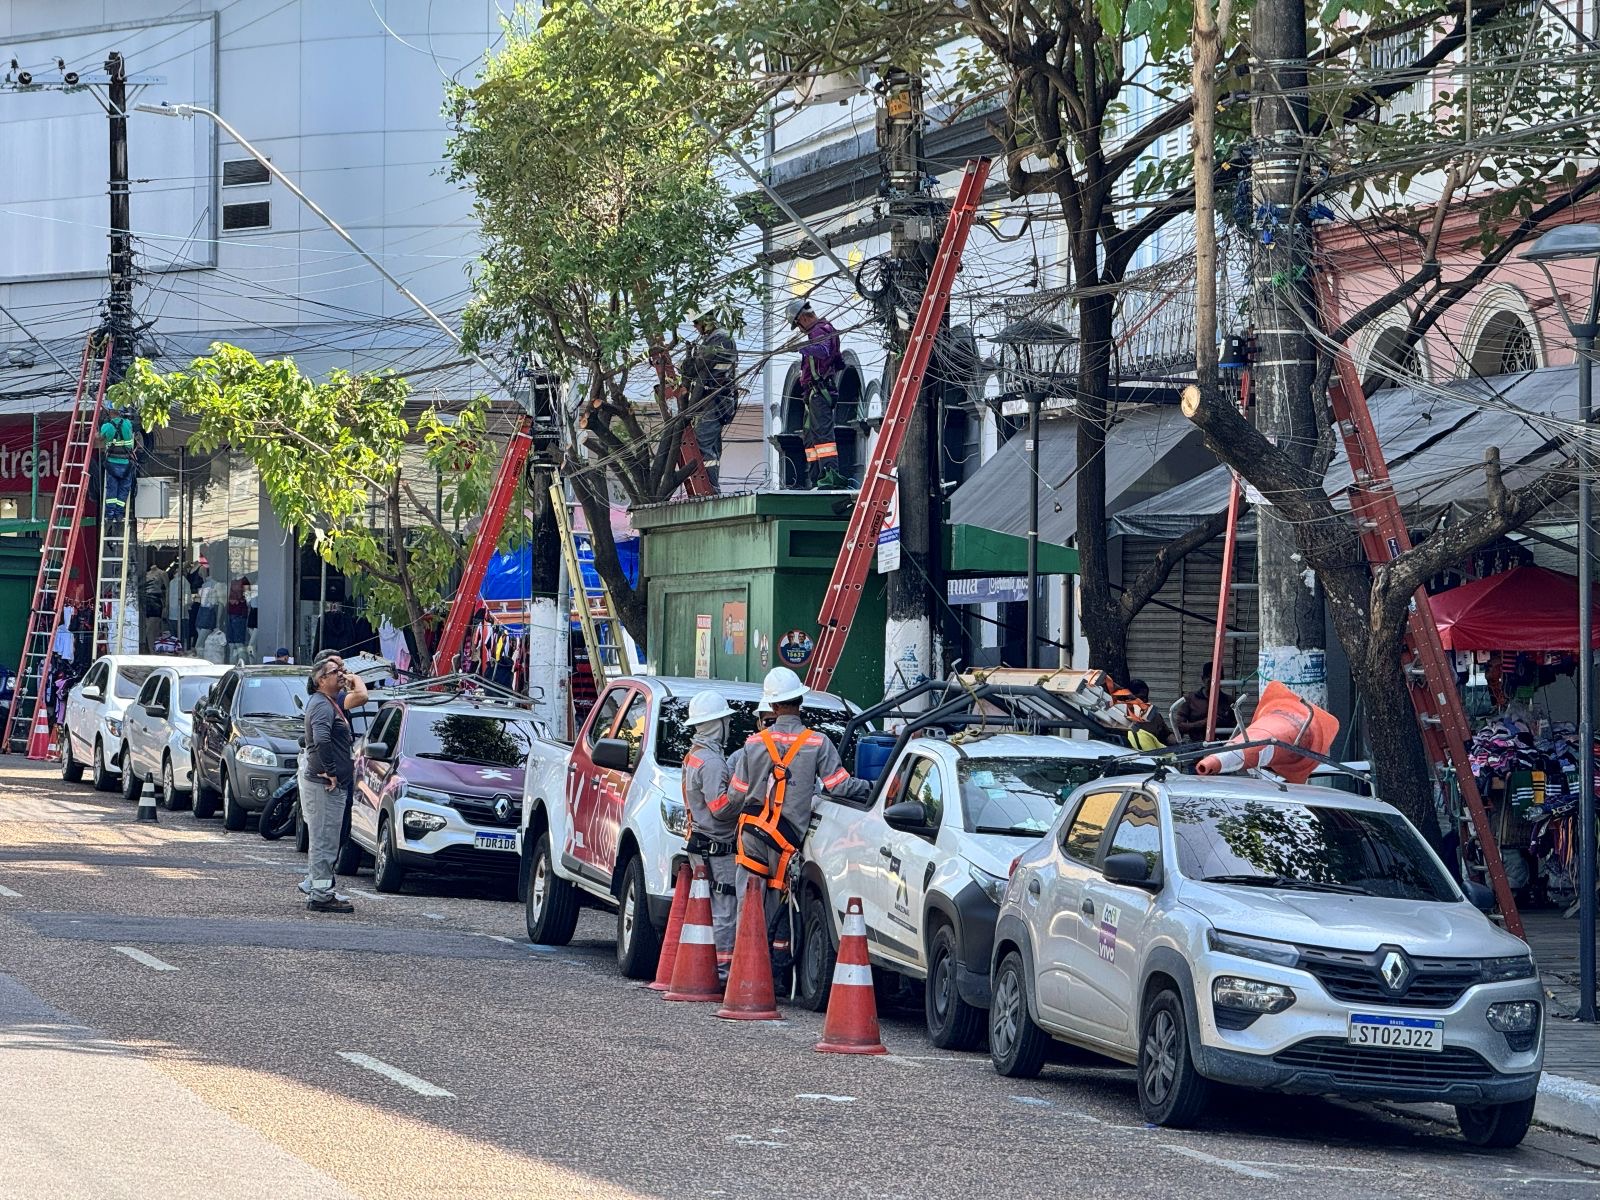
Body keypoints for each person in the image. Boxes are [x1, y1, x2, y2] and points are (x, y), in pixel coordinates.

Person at [727, 666, 871, 987]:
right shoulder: (817, 743)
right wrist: (875, 788)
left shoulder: (753, 744)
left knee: (748, 905)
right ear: (799, 701)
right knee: (782, 913)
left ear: (773, 707)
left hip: (750, 834)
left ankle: (743, 978)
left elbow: (736, 796)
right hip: (787, 842)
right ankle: (775, 978)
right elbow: (840, 787)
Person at [300, 655, 368, 912]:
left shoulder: (328, 702)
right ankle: (320, 894)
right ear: (320, 680)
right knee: (324, 839)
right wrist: (330, 771)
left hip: (332, 785)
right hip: (324, 785)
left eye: (341, 669)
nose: (341, 674)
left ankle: (320, 886)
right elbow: (321, 739)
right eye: (334, 671)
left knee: (327, 838)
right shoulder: (321, 705)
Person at [681, 689, 738, 981]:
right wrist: (743, 795)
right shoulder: (713, 763)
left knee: (707, 907)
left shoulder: (695, 756)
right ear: (719, 724)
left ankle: (706, 967)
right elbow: (720, 808)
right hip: (717, 846)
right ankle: (723, 971)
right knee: (725, 909)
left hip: (700, 842)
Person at [786, 299, 847, 489]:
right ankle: (816, 477)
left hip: (820, 392)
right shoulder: (819, 330)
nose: (799, 329)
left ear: (803, 317)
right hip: (813, 394)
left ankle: (830, 476)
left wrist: (800, 346)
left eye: (798, 324)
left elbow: (823, 350)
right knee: (811, 436)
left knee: (822, 436)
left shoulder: (820, 330)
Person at [681, 310, 739, 492]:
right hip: (711, 400)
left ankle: (711, 489)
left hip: (716, 400)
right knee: (710, 446)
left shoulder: (720, 339)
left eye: (696, 324)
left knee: (702, 445)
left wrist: (690, 357)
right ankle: (711, 488)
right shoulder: (710, 340)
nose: (696, 328)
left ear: (705, 320)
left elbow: (694, 368)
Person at [1172, 662, 1236, 741]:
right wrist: (1202, 723)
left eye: (1216, 681)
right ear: (1203, 679)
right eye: (1210, 682)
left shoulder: (1229, 701)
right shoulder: (1190, 699)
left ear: (1222, 681)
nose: (1213, 685)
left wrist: (1221, 721)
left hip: (1221, 747)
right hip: (1196, 747)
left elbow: (1237, 728)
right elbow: (1179, 727)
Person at [99, 405, 137, 527]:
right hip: (126, 464)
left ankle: (110, 514)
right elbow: (132, 433)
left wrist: (97, 429)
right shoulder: (127, 424)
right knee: (124, 489)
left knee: (111, 490)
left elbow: (99, 438)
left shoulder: (106, 427)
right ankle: (119, 514)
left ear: (110, 412)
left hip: (112, 464)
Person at [1124, 679, 1174, 749]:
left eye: (1146, 698)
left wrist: (1177, 740)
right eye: (1141, 698)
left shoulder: (1155, 718)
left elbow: (1166, 736)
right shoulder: (1119, 717)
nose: (1144, 701)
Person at [140, 559, 174, 655]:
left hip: (156, 600)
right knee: (152, 629)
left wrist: (166, 605)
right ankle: (155, 650)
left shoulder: (162, 573)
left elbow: (167, 589)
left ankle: (152, 652)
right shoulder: (146, 574)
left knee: (150, 629)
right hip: (147, 601)